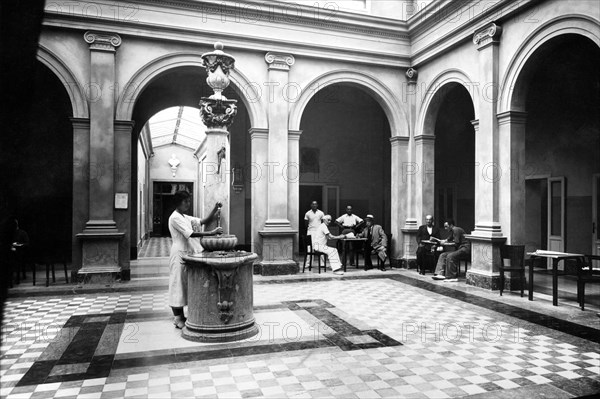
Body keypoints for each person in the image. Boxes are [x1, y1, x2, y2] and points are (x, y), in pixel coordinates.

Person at [168, 191, 222, 329]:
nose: (188, 203)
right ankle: (177, 317)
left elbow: (202, 221)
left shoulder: (184, 217)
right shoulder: (174, 217)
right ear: (178, 203)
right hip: (179, 253)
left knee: (185, 283)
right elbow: (191, 234)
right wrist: (211, 233)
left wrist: (215, 209)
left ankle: (183, 315)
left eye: (188, 201)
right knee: (177, 283)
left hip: (187, 253)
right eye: (185, 201)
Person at [304, 201, 324, 267]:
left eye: (315, 204)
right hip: (310, 231)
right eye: (313, 204)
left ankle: (322, 263)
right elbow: (306, 224)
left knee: (320, 247)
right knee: (309, 248)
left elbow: (323, 223)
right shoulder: (308, 213)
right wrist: (310, 230)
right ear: (311, 205)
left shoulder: (321, 213)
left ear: (317, 205)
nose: (314, 205)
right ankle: (308, 264)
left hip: (319, 232)